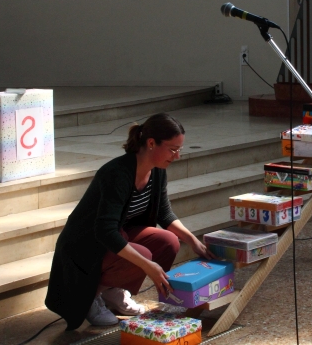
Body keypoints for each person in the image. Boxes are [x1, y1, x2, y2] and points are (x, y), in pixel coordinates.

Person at [45, 113, 214, 328]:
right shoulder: (117, 173)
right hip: (86, 245)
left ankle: (112, 291)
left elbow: (164, 213)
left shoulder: (157, 172)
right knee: (143, 255)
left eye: (179, 149)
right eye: (173, 149)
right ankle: (90, 296)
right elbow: (105, 231)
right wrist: (148, 266)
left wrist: (193, 241)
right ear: (151, 143)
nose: (177, 156)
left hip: (116, 236)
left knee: (169, 242)